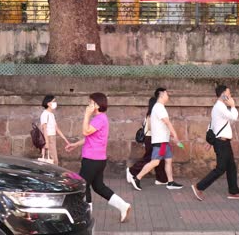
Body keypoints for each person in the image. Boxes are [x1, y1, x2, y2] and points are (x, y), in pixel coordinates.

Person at [65, 93, 131, 223]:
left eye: (91, 103)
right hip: (98, 159)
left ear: (97, 105)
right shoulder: (101, 118)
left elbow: (85, 131)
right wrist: (75, 145)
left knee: (82, 186)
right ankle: (123, 206)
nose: (88, 105)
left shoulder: (99, 119)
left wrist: (86, 114)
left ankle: (86, 216)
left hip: (92, 159)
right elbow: (90, 137)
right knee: (98, 187)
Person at [191, 85, 239, 201]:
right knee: (221, 168)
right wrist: (233, 106)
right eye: (229, 93)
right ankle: (198, 187)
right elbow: (234, 117)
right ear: (223, 94)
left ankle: (234, 192)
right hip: (221, 143)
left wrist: (210, 141)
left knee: (231, 167)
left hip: (223, 142)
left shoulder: (219, 107)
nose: (230, 96)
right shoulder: (220, 107)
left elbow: (214, 125)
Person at [130, 88, 184, 191]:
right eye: (167, 94)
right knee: (155, 162)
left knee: (168, 160)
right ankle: (137, 178)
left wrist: (170, 136)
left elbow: (163, 125)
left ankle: (170, 182)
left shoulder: (159, 107)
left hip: (164, 140)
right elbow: (167, 123)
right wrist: (175, 136)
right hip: (161, 141)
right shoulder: (159, 108)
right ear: (162, 94)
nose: (168, 96)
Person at [126, 97, 168, 186]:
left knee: (160, 159)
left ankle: (162, 179)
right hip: (152, 139)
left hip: (156, 139)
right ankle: (132, 171)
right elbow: (151, 127)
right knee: (149, 159)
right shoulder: (152, 114)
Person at [40, 95, 70, 165]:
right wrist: (47, 142)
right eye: (53, 101)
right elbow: (44, 129)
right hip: (49, 138)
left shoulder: (51, 115)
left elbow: (56, 128)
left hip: (52, 138)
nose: (55, 103)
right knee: (54, 161)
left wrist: (65, 140)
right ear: (48, 103)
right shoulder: (45, 114)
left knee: (53, 160)